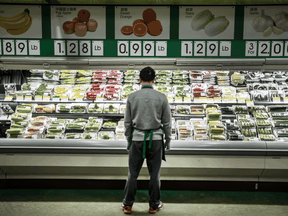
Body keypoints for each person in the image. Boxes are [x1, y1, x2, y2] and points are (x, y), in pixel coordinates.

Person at [121, 67, 172, 214]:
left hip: (137, 139)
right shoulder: (162, 97)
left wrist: (129, 139)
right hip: (155, 140)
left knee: (132, 174)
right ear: (154, 80)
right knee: (155, 175)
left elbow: (127, 123)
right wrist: (168, 140)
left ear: (140, 79)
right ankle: (154, 205)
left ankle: (128, 205)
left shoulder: (132, 97)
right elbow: (167, 123)